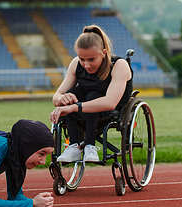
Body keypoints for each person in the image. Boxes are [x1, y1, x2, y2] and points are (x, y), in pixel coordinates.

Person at [49, 25, 132, 162]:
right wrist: (63, 99)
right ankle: (74, 146)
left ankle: (90, 146)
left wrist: (74, 107)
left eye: (91, 59)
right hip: (81, 108)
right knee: (70, 94)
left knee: (94, 96)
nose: (86, 65)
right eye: (82, 59)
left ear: (104, 53)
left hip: (109, 111)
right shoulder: (75, 63)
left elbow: (110, 102)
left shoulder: (119, 65)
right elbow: (56, 96)